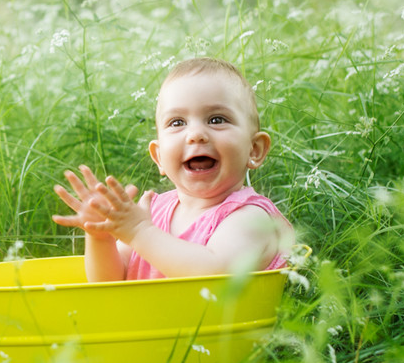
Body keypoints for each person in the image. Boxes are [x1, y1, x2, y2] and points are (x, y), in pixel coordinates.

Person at [53, 57, 293, 282]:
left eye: (217, 119)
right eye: (177, 123)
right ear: (158, 157)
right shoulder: (153, 213)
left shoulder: (251, 218)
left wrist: (138, 232)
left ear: (254, 149)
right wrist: (100, 237)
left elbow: (215, 274)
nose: (196, 135)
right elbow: (111, 282)